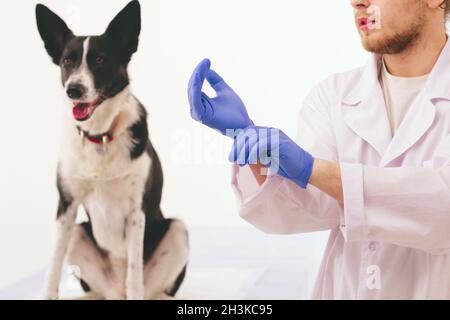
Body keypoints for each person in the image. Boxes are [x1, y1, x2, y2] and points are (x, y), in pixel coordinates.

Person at [187, 0, 450, 299]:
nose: (357, 2)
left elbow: (443, 207)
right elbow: (306, 208)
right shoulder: (333, 96)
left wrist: (314, 170)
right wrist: (251, 143)